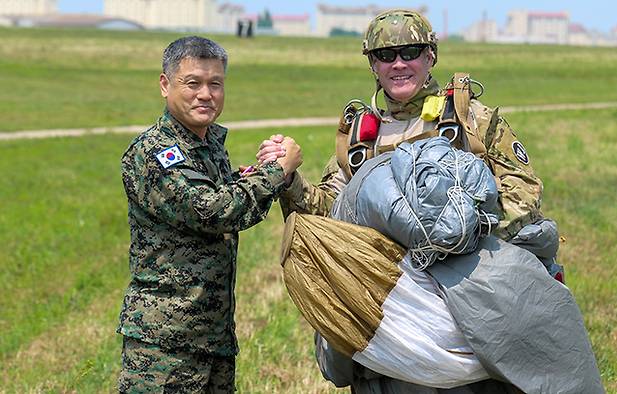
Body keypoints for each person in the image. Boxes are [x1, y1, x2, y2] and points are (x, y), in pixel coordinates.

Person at [258, 9, 561, 393]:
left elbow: (524, 190)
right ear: (372, 64)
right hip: (395, 308)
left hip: (466, 297)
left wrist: (462, 230)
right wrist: (288, 179)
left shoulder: (469, 121)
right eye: (386, 55)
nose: (398, 64)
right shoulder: (359, 139)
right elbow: (328, 217)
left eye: (410, 52)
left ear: (430, 56)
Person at [117, 35, 302, 393]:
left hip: (212, 337)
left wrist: (261, 169)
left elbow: (219, 191)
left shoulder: (205, 144)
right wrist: (277, 172)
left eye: (215, 83)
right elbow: (212, 210)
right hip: (165, 346)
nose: (205, 94)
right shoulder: (155, 153)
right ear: (164, 84)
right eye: (193, 83)